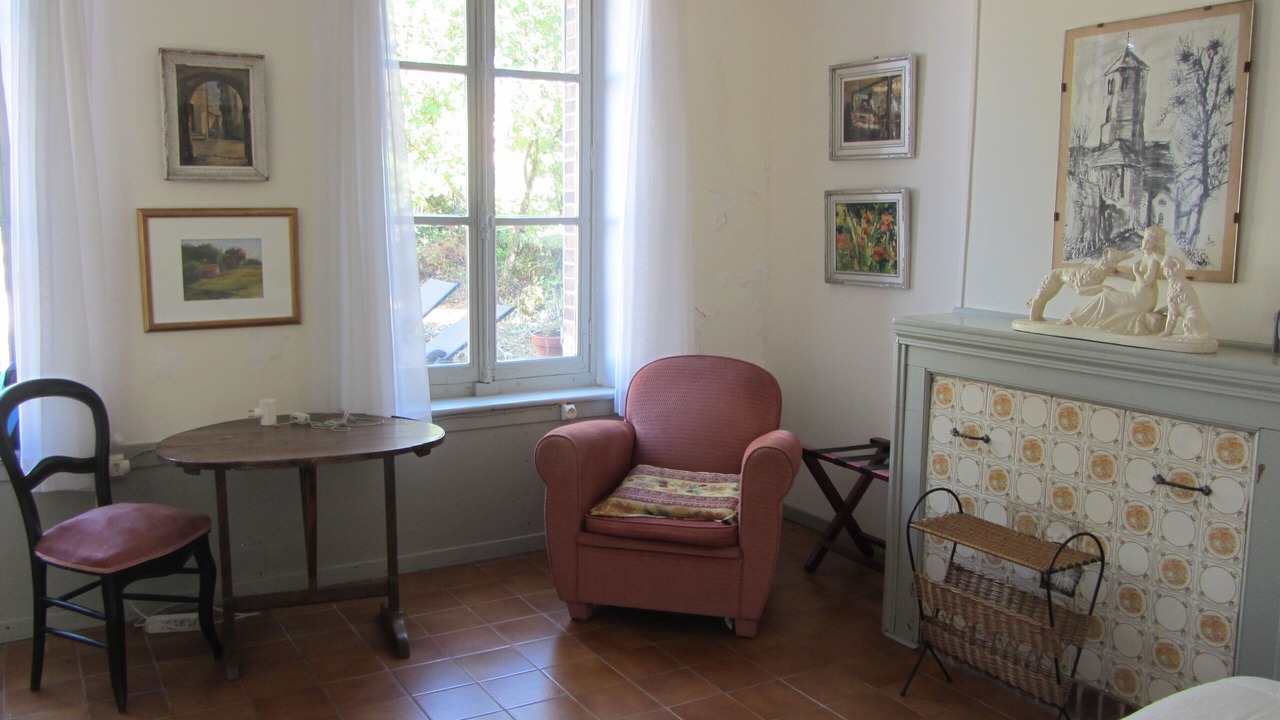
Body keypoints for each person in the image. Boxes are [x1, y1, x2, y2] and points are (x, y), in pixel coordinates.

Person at [1062, 226, 1167, 335]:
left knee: (1105, 297)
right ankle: (1079, 317)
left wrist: (1136, 271)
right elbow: (1134, 278)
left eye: (1149, 240)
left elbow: (1147, 282)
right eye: (1145, 238)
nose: (1145, 242)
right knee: (1107, 293)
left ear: (1156, 244)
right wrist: (1117, 273)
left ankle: (1074, 318)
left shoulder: (1154, 261)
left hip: (1141, 301)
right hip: (1135, 296)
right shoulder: (1145, 257)